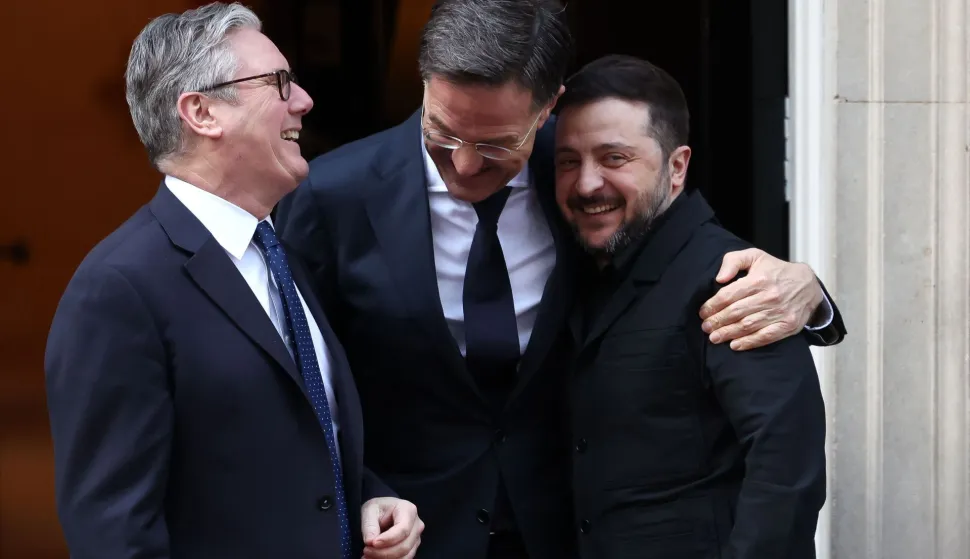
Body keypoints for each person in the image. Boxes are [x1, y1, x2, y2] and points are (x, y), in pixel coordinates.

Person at [274, 0, 844, 557]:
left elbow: (679, 246)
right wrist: (365, 492)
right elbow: (302, 383)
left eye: (497, 144)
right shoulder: (331, 197)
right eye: (443, 133)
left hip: (563, 528)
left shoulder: (579, 169)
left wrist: (807, 291)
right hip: (409, 533)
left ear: (548, 108)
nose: (465, 166)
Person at [44, 4, 423, 559]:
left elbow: (290, 451)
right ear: (202, 112)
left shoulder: (278, 253)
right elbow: (114, 534)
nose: (304, 100)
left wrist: (370, 497)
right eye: (279, 83)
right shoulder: (117, 290)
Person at [555, 54, 828, 558]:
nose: (587, 183)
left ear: (677, 166)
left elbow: (785, 467)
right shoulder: (579, 267)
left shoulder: (735, 283)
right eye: (568, 161)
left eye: (614, 158)